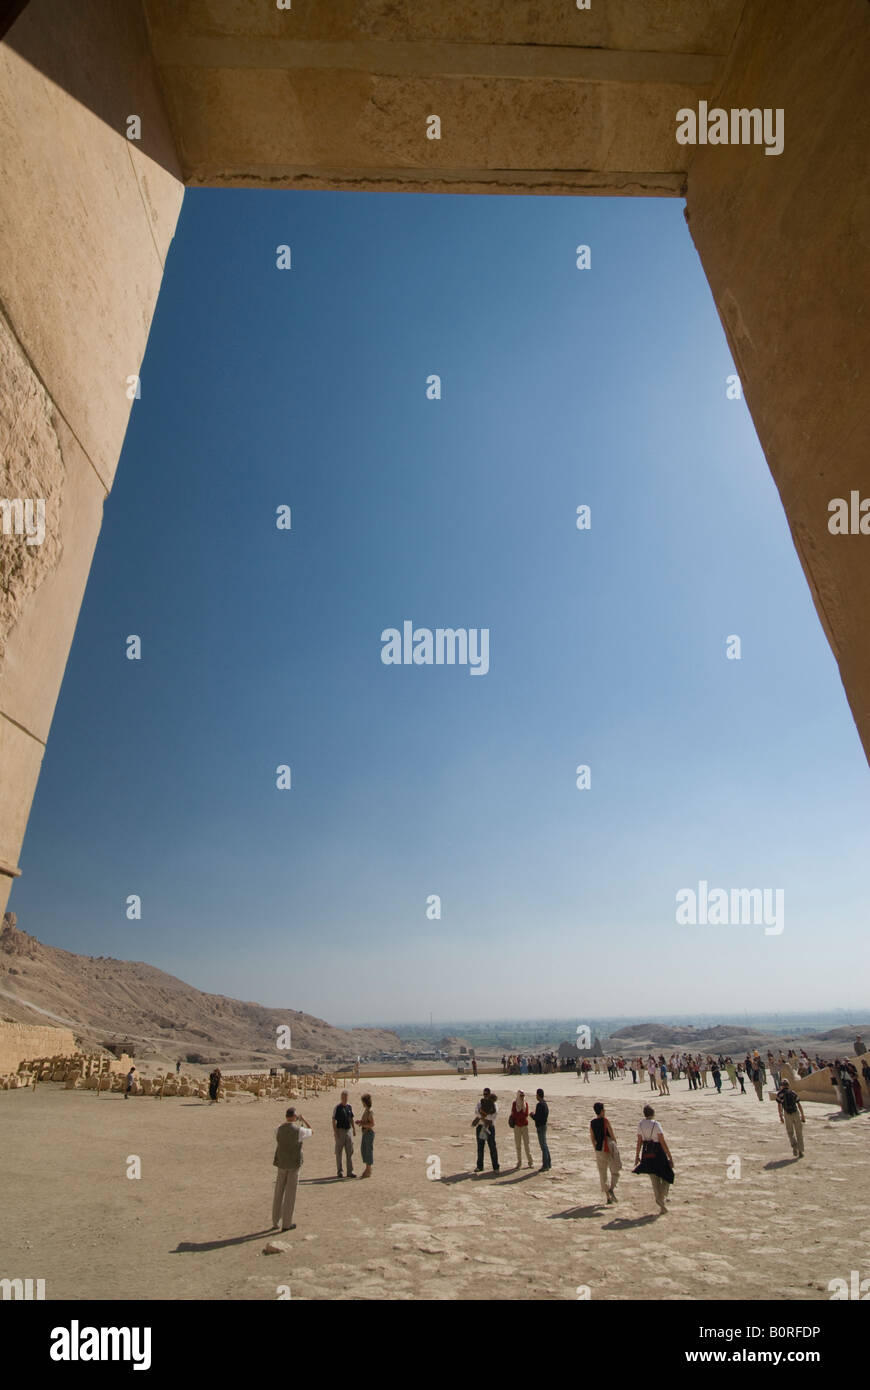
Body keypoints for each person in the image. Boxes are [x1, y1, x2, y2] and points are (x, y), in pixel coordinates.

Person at [272, 1106, 312, 1231]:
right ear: (295, 1117)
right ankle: (286, 1223)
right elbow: (311, 1130)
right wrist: (304, 1120)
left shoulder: (278, 1129)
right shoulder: (299, 1130)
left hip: (282, 1163)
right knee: (290, 1194)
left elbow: (279, 1129)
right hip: (293, 1164)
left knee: (278, 1192)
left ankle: (275, 1220)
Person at [634, 1105, 674, 1214]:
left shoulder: (640, 1124)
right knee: (668, 1175)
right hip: (658, 1152)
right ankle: (662, 1196)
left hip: (647, 1153)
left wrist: (637, 1155)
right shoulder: (656, 1124)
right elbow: (662, 1140)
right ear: (653, 1113)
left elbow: (639, 1141)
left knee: (653, 1177)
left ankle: (659, 1200)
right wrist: (669, 1156)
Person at [590, 1102, 620, 1205]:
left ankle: (608, 1196)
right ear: (602, 1111)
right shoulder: (605, 1121)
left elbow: (592, 1138)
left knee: (602, 1174)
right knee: (615, 1169)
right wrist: (616, 1145)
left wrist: (596, 1148)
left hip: (599, 1148)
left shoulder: (592, 1122)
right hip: (608, 1146)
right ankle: (611, 1188)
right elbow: (612, 1134)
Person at [774, 1079, 805, 1158]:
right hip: (795, 1113)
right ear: (788, 1085)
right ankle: (800, 1150)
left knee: (790, 1132)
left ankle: (794, 1145)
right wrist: (802, 1115)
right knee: (799, 1132)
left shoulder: (780, 1094)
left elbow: (779, 1105)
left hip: (787, 1114)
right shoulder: (793, 1092)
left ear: (782, 1086)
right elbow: (798, 1104)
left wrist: (780, 1116)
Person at [474, 1088, 499, 1173]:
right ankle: (479, 1166)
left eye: (486, 1094)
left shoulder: (494, 1104)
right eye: (484, 1094)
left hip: (490, 1127)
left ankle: (496, 1167)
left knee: (492, 1147)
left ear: (489, 1095)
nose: (485, 1096)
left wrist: (484, 1118)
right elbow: (476, 1111)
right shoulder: (480, 1102)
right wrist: (483, 1119)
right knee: (480, 1147)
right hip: (481, 1126)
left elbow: (494, 1116)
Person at [333, 1090, 357, 1177]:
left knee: (349, 1152)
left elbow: (351, 1119)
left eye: (346, 1097)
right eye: (343, 1097)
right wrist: (336, 1132)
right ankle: (340, 1171)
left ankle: (350, 1171)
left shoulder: (349, 1107)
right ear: (341, 1097)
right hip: (340, 1131)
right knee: (339, 1153)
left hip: (348, 1131)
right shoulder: (337, 1107)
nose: (345, 1099)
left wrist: (353, 1129)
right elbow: (333, 1121)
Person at [510, 1090, 533, 1168]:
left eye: (523, 1096)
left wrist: (519, 1114)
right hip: (517, 1126)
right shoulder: (514, 1104)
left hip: (524, 1126)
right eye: (521, 1096)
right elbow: (514, 1114)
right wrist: (520, 1114)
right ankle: (519, 1162)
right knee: (518, 1145)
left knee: (527, 1144)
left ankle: (530, 1162)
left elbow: (526, 1114)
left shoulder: (525, 1104)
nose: (522, 1097)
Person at [531, 1088, 551, 1170]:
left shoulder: (540, 1105)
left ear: (538, 1095)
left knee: (543, 1146)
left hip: (541, 1126)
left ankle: (545, 1165)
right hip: (544, 1125)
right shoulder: (545, 1103)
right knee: (545, 1145)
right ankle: (548, 1163)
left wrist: (532, 1115)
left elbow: (537, 1117)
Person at [357, 1093, 375, 1178]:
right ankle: (367, 1169)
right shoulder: (366, 1110)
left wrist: (363, 1125)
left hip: (368, 1132)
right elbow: (366, 1121)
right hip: (365, 1132)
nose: (362, 1104)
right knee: (364, 1150)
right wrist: (361, 1122)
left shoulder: (370, 1111)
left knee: (368, 1151)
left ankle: (368, 1170)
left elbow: (372, 1124)